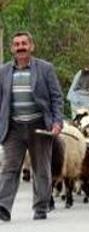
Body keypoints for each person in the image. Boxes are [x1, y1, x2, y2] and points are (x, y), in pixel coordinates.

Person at [0, 31, 64, 222]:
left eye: (24, 44)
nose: (20, 47)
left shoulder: (45, 69)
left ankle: (41, 206)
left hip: (39, 126)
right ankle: (3, 206)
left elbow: (56, 97)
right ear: (12, 48)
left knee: (41, 168)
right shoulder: (3, 72)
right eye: (17, 44)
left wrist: (57, 121)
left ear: (31, 46)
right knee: (9, 168)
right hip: (13, 128)